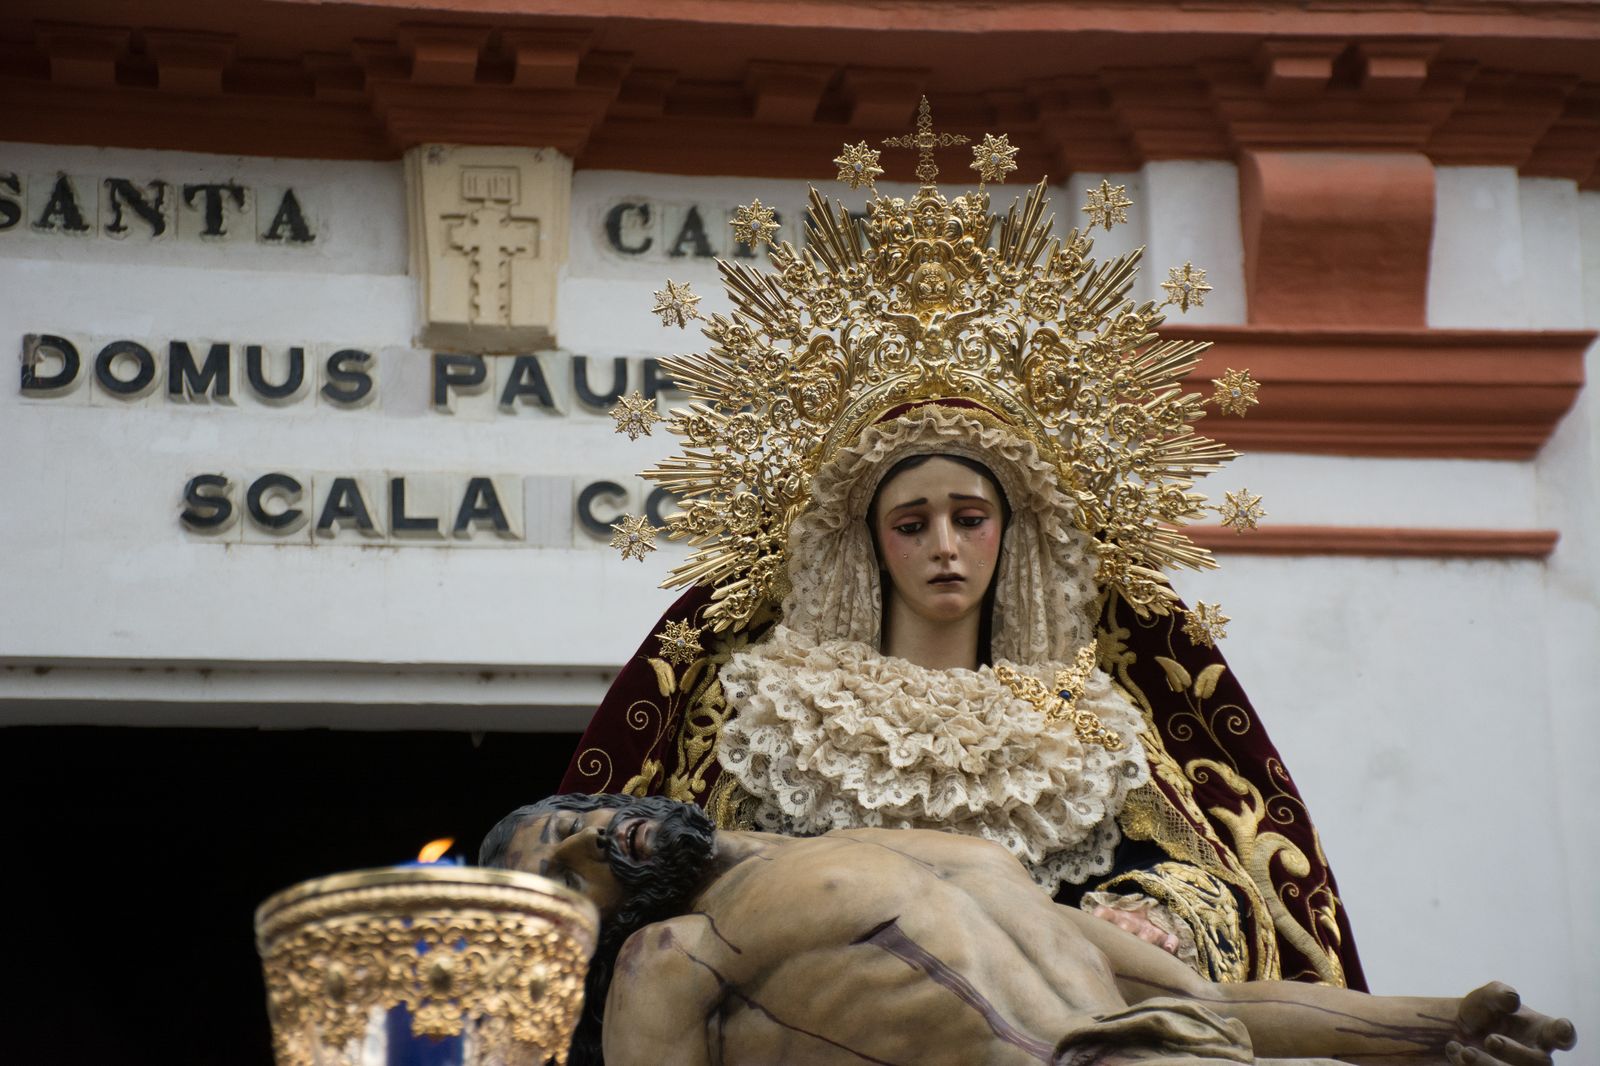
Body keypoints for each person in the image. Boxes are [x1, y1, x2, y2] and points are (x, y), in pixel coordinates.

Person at [565, 109, 1360, 991]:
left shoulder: (1078, 726)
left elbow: (1223, 890)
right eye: (911, 524)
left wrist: (1156, 914)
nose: (944, 546)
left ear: (1012, 537)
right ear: (868, 545)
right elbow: (676, 899)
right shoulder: (780, 719)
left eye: (970, 518)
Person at [481, 793, 1577, 1066]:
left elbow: (1193, 1009)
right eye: (571, 872)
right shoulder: (669, 952)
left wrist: (1426, 1028)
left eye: (571, 820)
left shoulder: (915, 847)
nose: (594, 842)